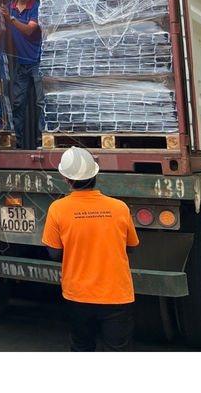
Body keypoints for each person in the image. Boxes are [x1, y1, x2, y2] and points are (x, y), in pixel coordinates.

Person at [42, 147, 140, 351]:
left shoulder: (57, 209)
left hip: (78, 295)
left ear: (66, 179)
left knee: (82, 348)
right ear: (96, 174)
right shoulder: (119, 207)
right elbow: (131, 247)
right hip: (117, 295)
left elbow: (54, 253)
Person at [7, 0, 43, 148]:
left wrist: (11, 19)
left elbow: (29, 30)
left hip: (38, 61)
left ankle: (43, 140)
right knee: (18, 103)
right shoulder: (9, 7)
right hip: (21, 63)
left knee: (41, 102)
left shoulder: (36, 7)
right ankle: (17, 143)